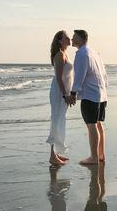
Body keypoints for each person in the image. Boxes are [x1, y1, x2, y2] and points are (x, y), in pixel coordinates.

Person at [66, 30, 108, 165]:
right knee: (98, 124)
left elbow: (80, 75)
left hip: (90, 95)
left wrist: (73, 93)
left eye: (74, 37)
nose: (72, 39)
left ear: (81, 39)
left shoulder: (82, 54)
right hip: (101, 93)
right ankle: (100, 155)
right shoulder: (94, 52)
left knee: (91, 125)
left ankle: (94, 157)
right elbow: (104, 73)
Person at [46, 30, 73, 166]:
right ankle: (52, 156)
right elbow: (58, 78)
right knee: (56, 120)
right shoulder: (59, 55)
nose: (70, 40)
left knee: (60, 120)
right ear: (60, 40)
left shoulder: (65, 54)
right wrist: (65, 95)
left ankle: (56, 153)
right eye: (67, 38)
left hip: (63, 92)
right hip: (59, 92)